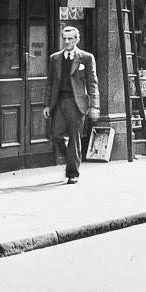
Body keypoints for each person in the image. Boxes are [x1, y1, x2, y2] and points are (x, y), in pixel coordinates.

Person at [43, 25, 100, 184]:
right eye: (64, 38)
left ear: (76, 39)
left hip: (77, 104)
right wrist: (46, 105)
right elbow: (50, 83)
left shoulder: (86, 58)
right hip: (59, 102)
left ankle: (72, 173)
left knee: (75, 138)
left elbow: (92, 83)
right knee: (55, 135)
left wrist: (95, 106)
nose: (66, 42)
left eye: (70, 39)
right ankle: (70, 156)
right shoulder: (55, 58)